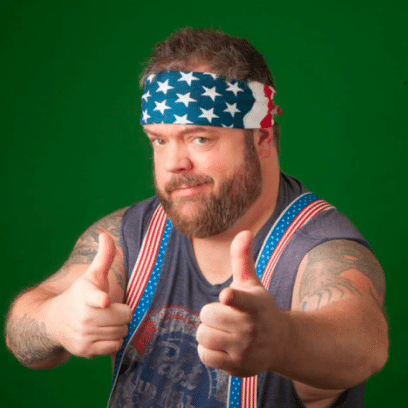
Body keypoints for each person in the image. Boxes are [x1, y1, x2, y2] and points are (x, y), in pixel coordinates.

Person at [5, 28, 388, 408]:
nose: (174, 165)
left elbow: (364, 342)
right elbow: (23, 333)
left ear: (263, 137)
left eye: (199, 138)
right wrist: (59, 318)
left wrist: (281, 341)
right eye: (159, 140)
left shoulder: (317, 248)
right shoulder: (131, 235)